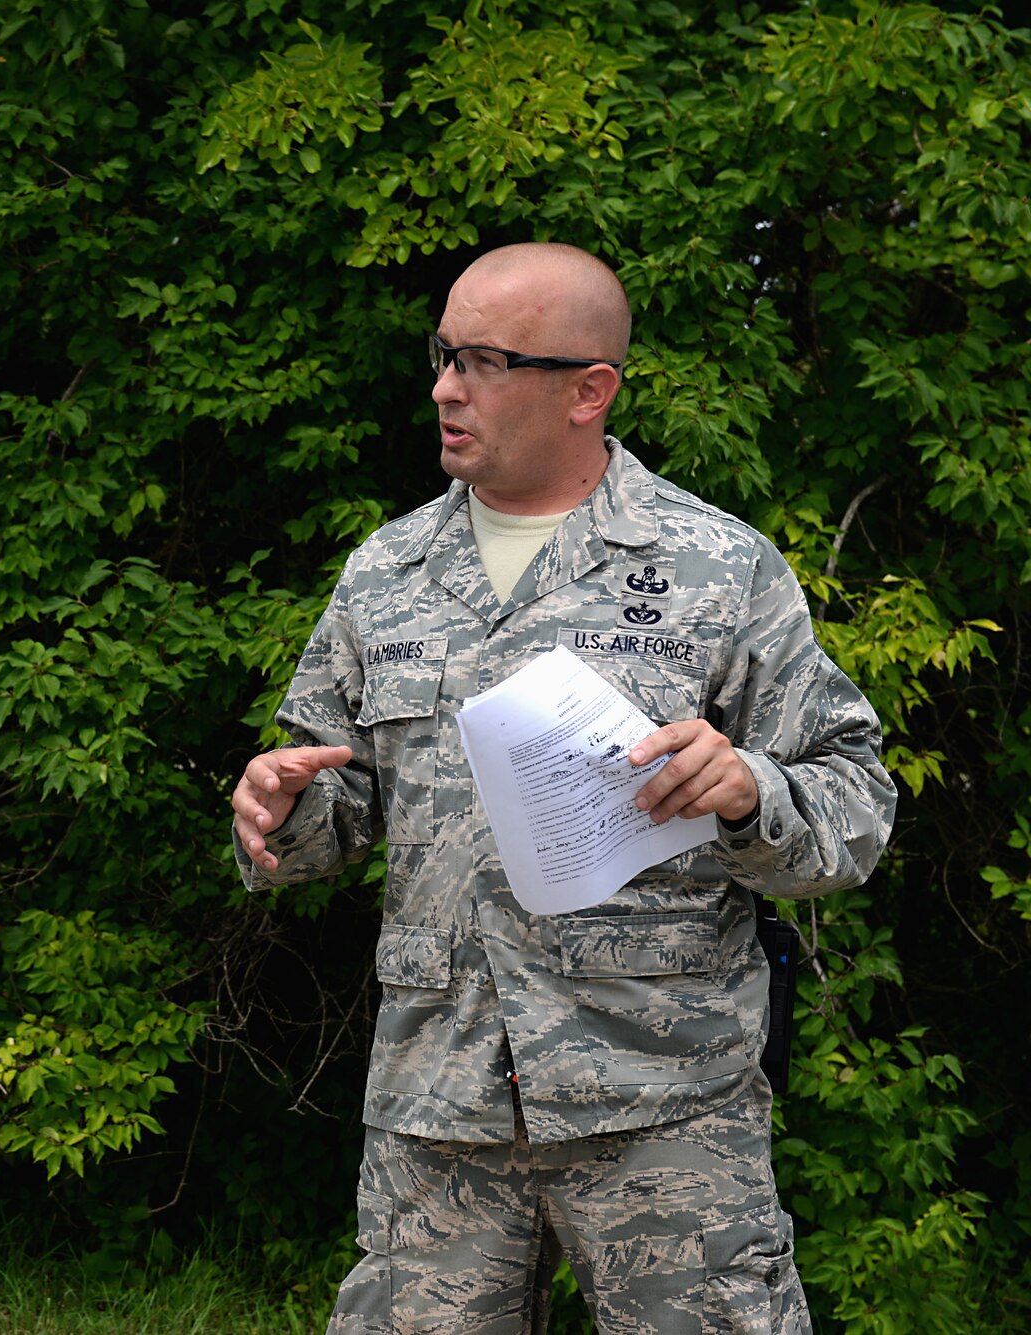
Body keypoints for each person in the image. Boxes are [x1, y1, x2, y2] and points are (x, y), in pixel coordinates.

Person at [230, 243, 894, 1333]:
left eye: (485, 362)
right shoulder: (385, 575)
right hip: (437, 1107)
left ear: (589, 391)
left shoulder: (714, 570)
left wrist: (743, 789)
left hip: (662, 1106)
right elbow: (329, 803)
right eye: (442, 356)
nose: (445, 388)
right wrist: (278, 808)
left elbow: (853, 809)